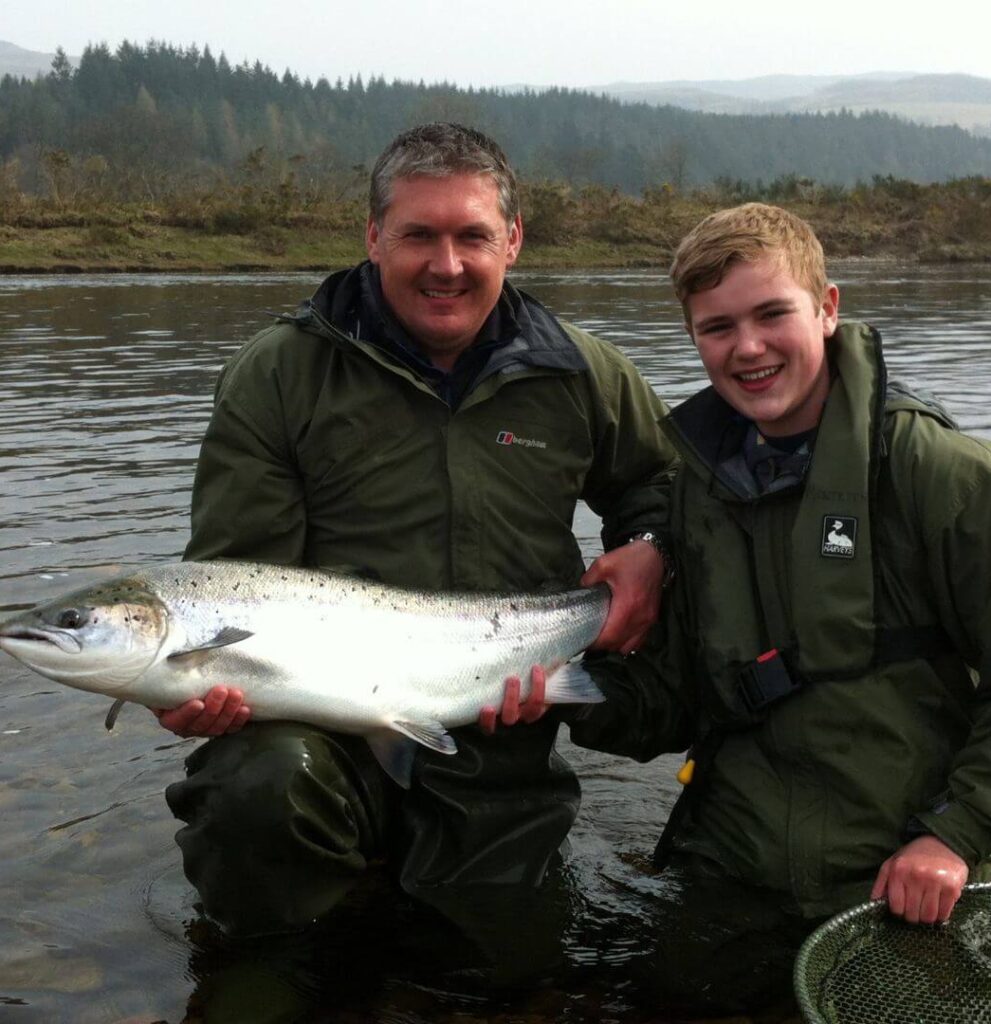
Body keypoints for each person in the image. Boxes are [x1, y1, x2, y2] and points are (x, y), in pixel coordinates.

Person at [157, 122, 677, 939]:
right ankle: (266, 959)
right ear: (372, 238)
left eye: (472, 236)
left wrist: (648, 549)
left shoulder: (584, 374)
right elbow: (235, 575)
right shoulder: (278, 374)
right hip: (310, 731)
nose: (446, 264)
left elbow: (663, 485)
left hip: (506, 727)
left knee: (506, 961)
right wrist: (191, 684)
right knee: (254, 798)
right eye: (417, 236)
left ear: (512, 241)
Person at [496, 202, 991, 1008]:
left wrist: (953, 835)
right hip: (731, 872)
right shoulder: (694, 493)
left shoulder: (939, 475)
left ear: (826, 308)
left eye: (771, 315)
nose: (748, 348)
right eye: (717, 327)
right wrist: (556, 690)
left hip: (902, 880)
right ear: (693, 337)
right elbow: (673, 702)